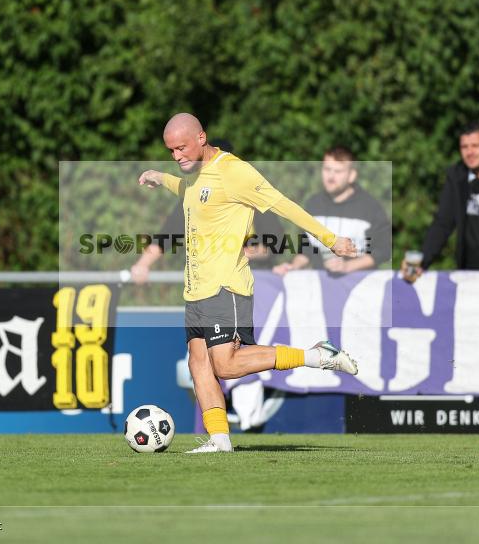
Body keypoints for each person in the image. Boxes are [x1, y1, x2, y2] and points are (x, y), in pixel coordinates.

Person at [138, 113, 360, 453]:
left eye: (181, 148)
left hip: (226, 286)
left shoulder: (235, 172)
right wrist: (159, 176)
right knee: (197, 361)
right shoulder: (194, 175)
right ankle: (219, 439)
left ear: (201, 138)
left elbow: (284, 205)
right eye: (170, 151)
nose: (176, 156)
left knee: (225, 365)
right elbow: (185, 189)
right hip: (196, 289)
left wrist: (330, 240)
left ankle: (317, 355)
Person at [131, 140, 285, 284]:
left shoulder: (250, 193)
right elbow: (166, 237)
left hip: (251, 280)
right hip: (208, 283)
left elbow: (275, 243)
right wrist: (142, 265)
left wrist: (241, 253)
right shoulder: (194, 195)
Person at [402, 121, 479, 282]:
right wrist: (422, 261)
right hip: (469, 270)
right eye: (464, 147)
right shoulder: (457, 176)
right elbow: (443, 223)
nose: (470, 152)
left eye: (475, 146)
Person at [272, 145, 390, 276]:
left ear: (352, 175)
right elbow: (307, 250)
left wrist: (347, 266)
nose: (331, 176)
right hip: (321, 289)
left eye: (338, 171)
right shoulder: (313, 204)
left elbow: (383, 251)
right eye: (327, 169)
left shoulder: (370, 207)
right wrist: (293, 267)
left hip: (359, 289)